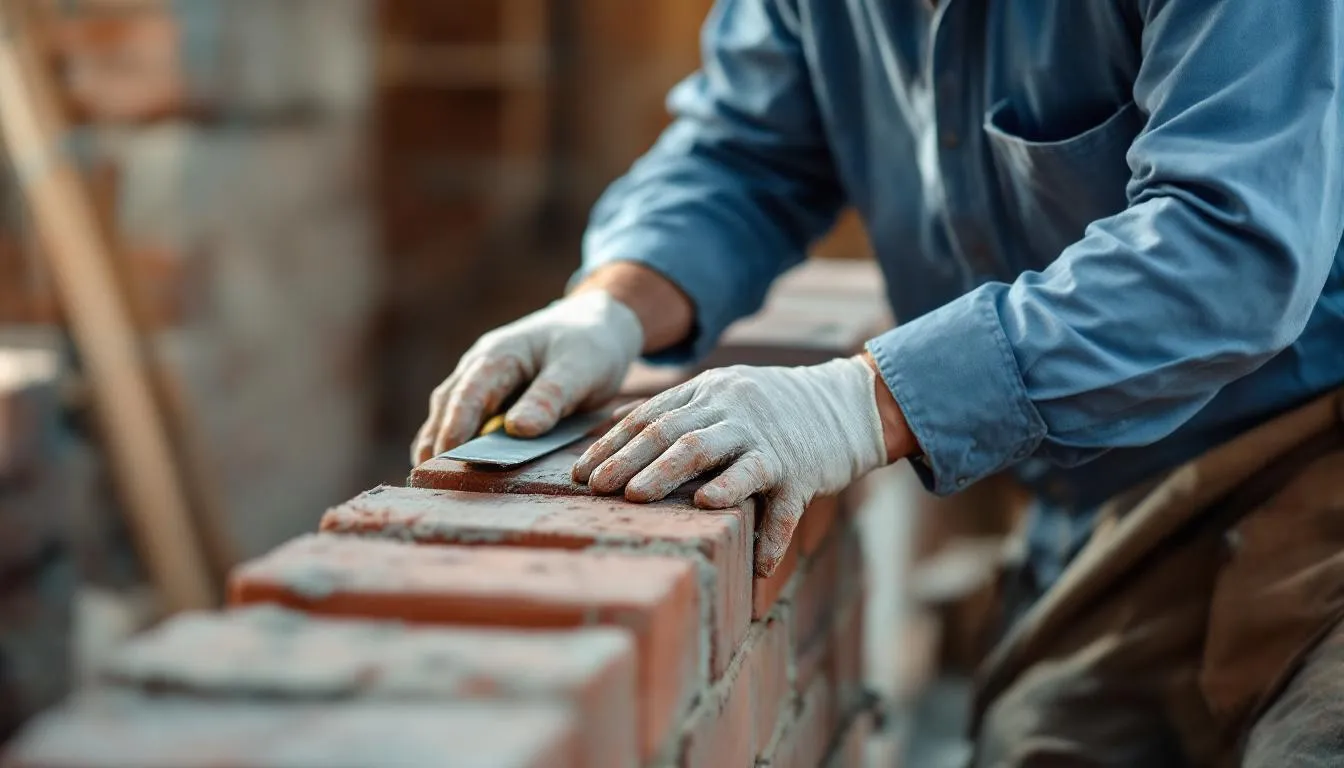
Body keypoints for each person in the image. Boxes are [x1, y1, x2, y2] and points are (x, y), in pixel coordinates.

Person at [414, 1, 1344, 764]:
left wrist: (860, 404)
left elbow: (1228, 249)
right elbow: (746, 155)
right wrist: (610, 310)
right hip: (1118, 510)